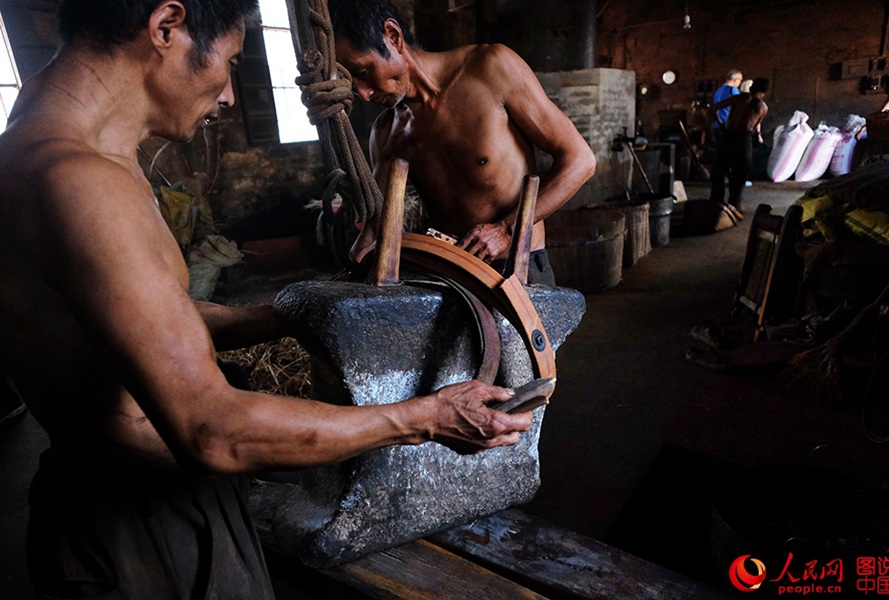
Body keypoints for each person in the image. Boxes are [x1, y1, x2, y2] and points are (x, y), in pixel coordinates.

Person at [0, 1, 534, 597]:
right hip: (144, 529)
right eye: (228, 62)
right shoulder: (79, 179)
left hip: (112, 498)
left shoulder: (41, 138)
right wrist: (424, 419)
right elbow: (211, 429)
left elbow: (130, 318)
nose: (228, 94)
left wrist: (283, 316)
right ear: (166, 27)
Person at [328, 0, 596, 286]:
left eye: (363, 72)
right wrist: (347, 272)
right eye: (353, 84)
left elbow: (580, 160)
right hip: (451, 275)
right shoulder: (385, 132)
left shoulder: (492, 69)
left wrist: (506, 229)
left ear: (393, 37)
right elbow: (377, 223)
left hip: (519, 270)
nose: (365, 94)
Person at [708, 77, 770, 214]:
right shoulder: (763, 107)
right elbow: (754, 126)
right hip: (744, 138)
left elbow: (712, 109)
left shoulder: (737, 99)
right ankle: (734, 204)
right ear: (764, 91)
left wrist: (721, 123)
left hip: (728, 135)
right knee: (740, 172)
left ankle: (716, 202)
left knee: (720, 169)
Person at [712, 69, 743, 148]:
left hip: (716, 125)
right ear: (736, 80)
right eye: (740, 81)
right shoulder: (732, 90)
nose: (740, 84)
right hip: (728, 125)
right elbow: (738, 106)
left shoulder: (718, 91)